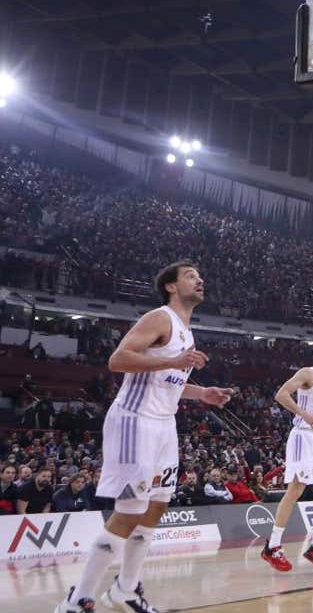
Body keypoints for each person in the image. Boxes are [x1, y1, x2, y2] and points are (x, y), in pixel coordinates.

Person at [57, 261, 235, 613]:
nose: (200, 279)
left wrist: (202, 394)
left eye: (200, 275)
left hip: (164, 425)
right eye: (190, 275)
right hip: (135, 422)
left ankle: (125, 590)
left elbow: (169, 381)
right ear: (171, 286)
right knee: (129, 511)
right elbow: (118, 360)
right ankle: (78, 599)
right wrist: (172, 363)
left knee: (156, 508)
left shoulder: (187, 331)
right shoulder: (160, 317)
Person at [260, 345, 313, 572]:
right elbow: (281, 395)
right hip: (303, 437)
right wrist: (303, 413)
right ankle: (273, 545)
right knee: (296, 489)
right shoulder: (309, 373)